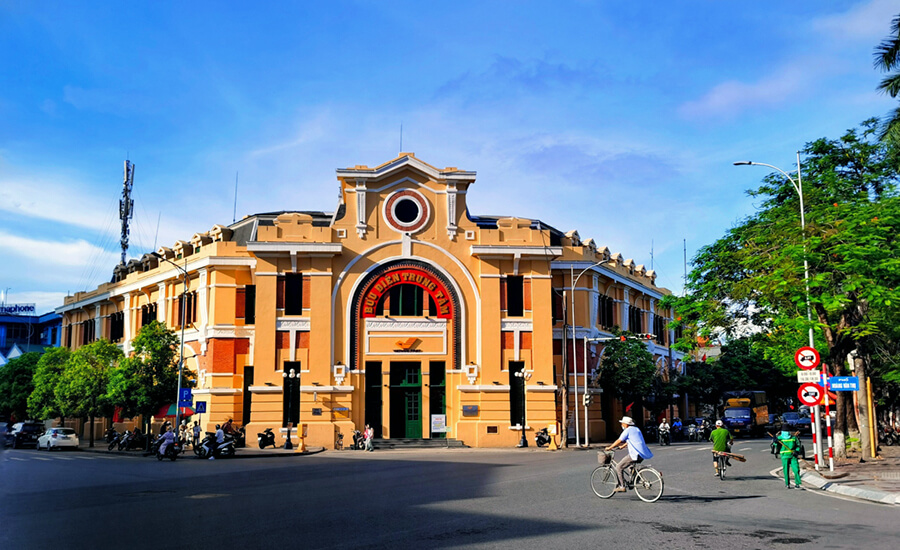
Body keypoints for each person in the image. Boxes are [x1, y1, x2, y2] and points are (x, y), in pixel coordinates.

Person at [604, 416, 654, 492]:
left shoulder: (627, 431)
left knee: (619, 467)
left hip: (635, 454)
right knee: (630, 467)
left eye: (622, 423)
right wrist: (622, 446)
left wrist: (610, 447)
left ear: (626, 424)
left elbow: (619, 440)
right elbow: (632, 440)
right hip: (642, 454)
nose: (622, 425)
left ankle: (622, 486)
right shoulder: (636, 429)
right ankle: (636, 480)